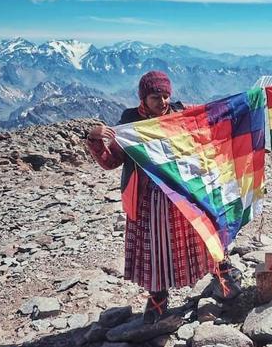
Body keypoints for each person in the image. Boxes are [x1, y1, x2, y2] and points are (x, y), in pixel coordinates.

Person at [85, 71, 216, 323]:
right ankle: (158, 297)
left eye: (166, 95)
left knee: (199, 234)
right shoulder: (129, 121)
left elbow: (210, 115)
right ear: (143, 97)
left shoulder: (180, 114)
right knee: (154, 247)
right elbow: (111, 161)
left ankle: (221, 275)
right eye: (156, 96)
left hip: (180, 191)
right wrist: (95, 137)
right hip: (147, 197)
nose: (163, 101)